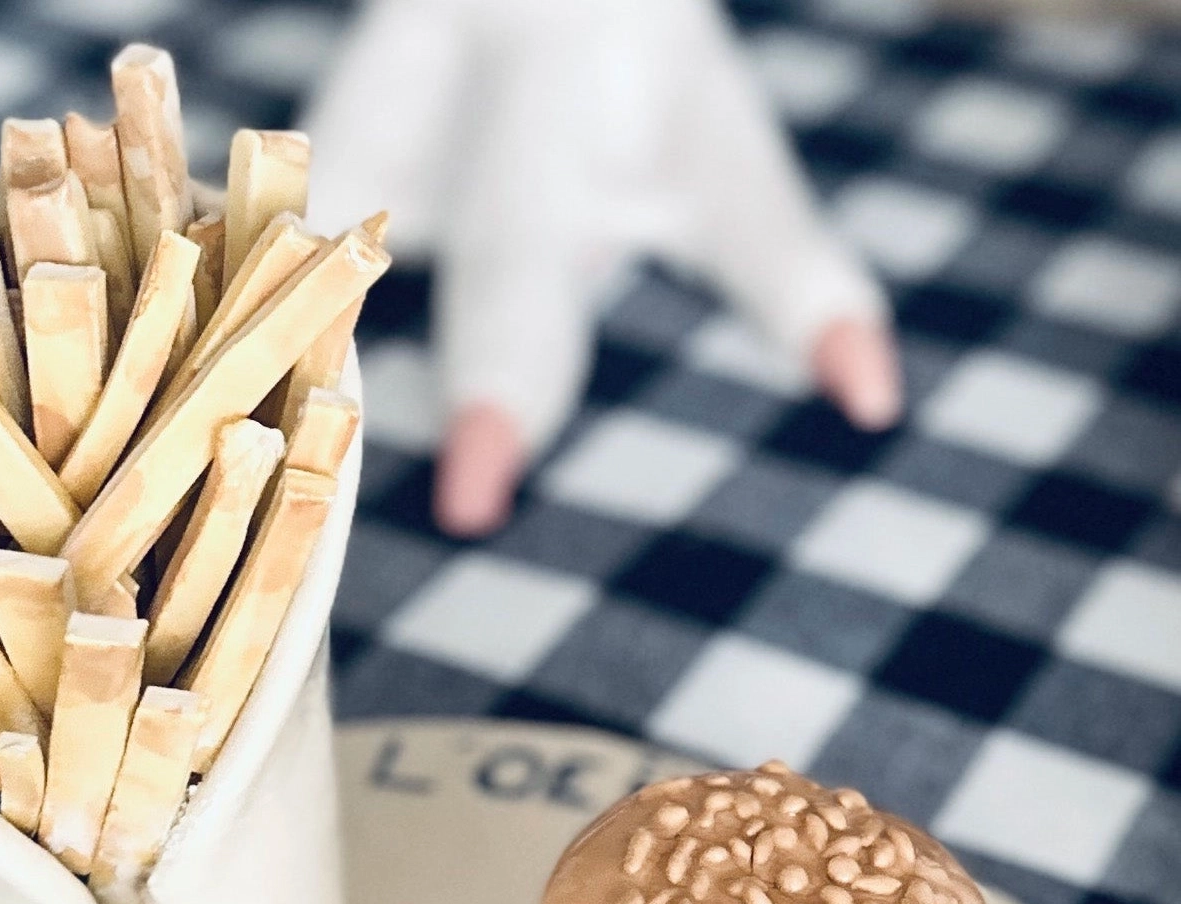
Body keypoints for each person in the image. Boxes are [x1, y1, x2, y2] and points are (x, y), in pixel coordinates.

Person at [303, 0, 901, 536]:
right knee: (512, 210)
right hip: (457, 32)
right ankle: (494, 399)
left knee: (736, 180)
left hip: (645, 31)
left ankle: (821, 306)